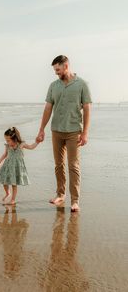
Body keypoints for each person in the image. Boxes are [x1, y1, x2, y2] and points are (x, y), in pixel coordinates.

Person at [36, 55, 92, 212]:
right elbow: (48, 108)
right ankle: (60, 194)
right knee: (58, 165)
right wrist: (41, 129)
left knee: (73, 165)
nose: (56, 72)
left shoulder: (81, 84)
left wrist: (85, 132)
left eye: (58, 69)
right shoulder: (53, 86)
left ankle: (75, 200)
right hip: (56, 131)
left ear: (66, 66)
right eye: (55, 70)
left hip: (74, 131)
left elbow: (87, 108)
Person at [0, 127, 39, 205]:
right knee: (4, 182)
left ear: (14, 138)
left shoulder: (21, 144)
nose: (7, 142)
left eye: (8, 140)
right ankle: (8, 193)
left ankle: (13, 199)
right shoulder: (7, 146)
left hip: (16, 167)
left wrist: (37, 142)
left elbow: (31, 147)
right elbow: (5, 155)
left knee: (14, 184)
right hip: (7, 166)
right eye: (6, 140)